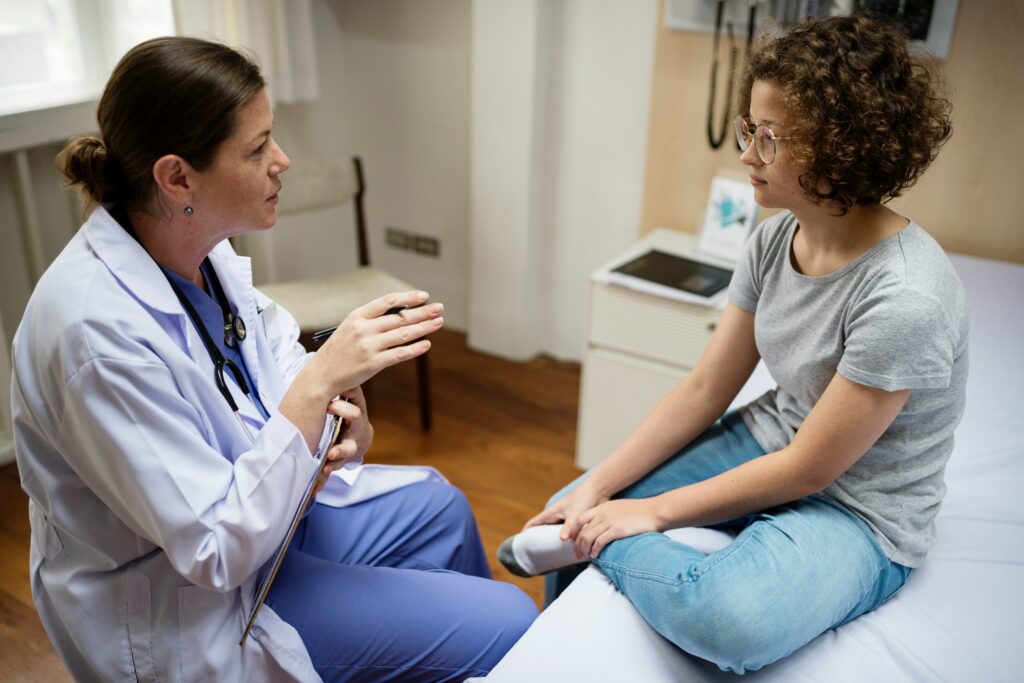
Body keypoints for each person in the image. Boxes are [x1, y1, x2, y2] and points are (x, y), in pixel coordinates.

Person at [12, 37, 535, 682]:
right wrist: (321, 383)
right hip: (195, 603)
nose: (282, 161)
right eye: (257, 149)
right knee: (510, 620)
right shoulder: (94, 336)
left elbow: (275, 356)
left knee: (441, 509)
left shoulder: (198, 251)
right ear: (177, 177)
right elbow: (211, 549)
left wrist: (341, 414)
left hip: (268, 533)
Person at [499, 14, 964, 674]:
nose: (746, 154)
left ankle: (595, 545)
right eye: (749, 129)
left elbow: (812, 469)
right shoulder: (773, 242)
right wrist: (601, 485)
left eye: (768, 139)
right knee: (575, 504)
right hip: (777, 438)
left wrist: (648, 512)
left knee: (727, 616)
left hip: (861, 508)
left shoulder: (906, 298)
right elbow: (703, 388)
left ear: (841, 149)